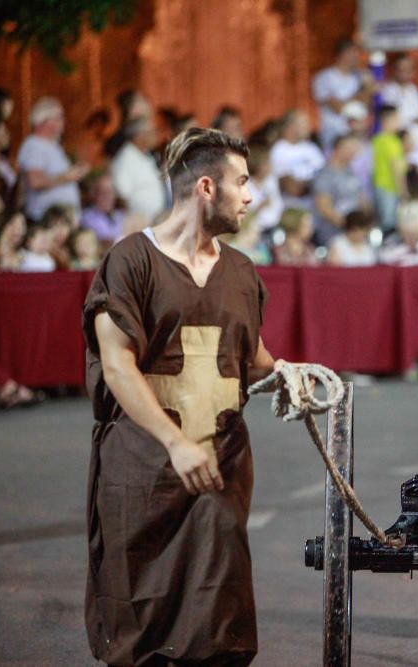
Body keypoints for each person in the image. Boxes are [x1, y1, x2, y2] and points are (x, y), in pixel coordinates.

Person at [82, 127, 283, 666]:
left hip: (219, 467)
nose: (250, 195)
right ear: (205, 188)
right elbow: (119, 365)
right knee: (143, 627)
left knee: (217, 625)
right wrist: (174, 443)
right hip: (143, 470)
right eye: (241, 181)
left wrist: (289, 374)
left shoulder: (240, 271)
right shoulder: (130, 261)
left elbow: (249, 357)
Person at [17, 97, 88, 222]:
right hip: (46, 220)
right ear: (43, 121)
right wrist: (65, 177)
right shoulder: (34, 145)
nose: (62, 121)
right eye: (58, 117)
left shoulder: (54, 146)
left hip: (63, 220)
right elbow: (35, 181)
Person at [313, 38, 375, 150]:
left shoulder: (358, 77)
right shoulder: (324, 78)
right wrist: (361, 95)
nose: (357, 57)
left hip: (358, 136)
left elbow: (366, 104)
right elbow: (337, 107)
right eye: (353, 53)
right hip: (334, 136)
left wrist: (367, 86)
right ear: (342, 54)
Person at [313, 133, 370, 246]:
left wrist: (365, 224)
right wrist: (350, 227)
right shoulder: (325, 174)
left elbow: (362, 200)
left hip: (356, 233)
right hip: (334, 234)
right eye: (349, 148)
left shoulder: (351, 173)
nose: (353, 152)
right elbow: (324, 207)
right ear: (337, 149)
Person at [111, 115, 167, 223]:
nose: (155, 135)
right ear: (139, 136)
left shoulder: (146, 154)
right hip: (139, 225)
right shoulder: (125, 159)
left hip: (155, 221)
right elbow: (121, 196)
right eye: (151, 132)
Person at [372, 106, 408, 234]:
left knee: (382, 221)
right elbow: (396, 169)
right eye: (396, 119)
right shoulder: (392, 141)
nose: (399, 122)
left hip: (379, 186)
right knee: (389, 224)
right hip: (390, 188)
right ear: (386, 121)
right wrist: (403, 192)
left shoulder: (376, 140)